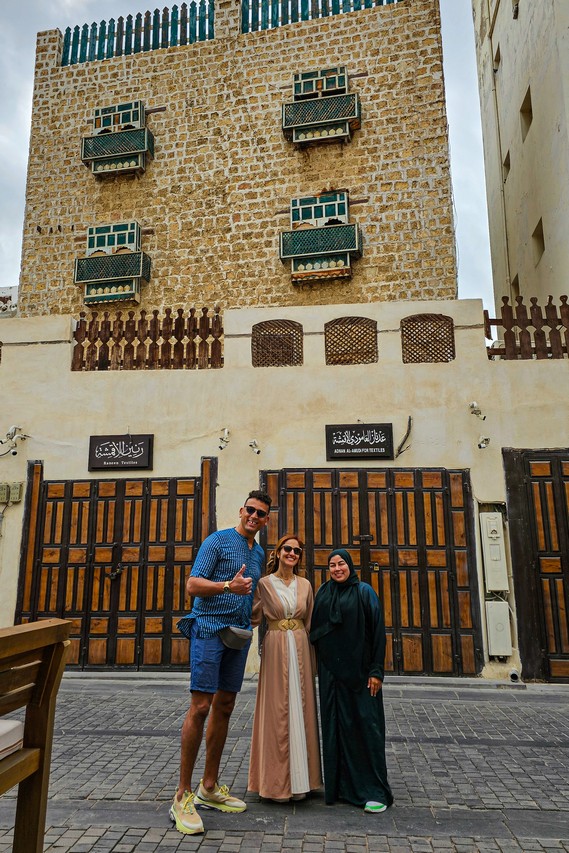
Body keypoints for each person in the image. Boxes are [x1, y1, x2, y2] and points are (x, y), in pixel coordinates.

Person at [171, 489, 272, 835]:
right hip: (209, 630)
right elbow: (193, 585)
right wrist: (228, 585)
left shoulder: (258, 552)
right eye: (251, 510)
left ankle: (209, 787)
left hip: (238, 636)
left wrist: (253, 609)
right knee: (201, 706)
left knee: (225, 706)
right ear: (242, 510)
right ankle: (182, 795)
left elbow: (252, 589)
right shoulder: (217, 541)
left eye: (261, 514)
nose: (254, 517)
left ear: (266, 520)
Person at [310, 548, 393, 814]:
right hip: (332, 676)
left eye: (341, 564)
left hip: (361, 675)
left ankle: (374, 791)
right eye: (332, 565)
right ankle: (342, 788)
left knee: (366, 729)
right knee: (336, 729)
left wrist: (376, 671)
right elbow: (315, 630)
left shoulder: (364, 592)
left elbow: (377, 632)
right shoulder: (323, 592)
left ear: (350, 565)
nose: (337, 569)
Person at [248, 535, 322, 802]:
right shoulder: (264, 584)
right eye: (287, 549)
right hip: (276, 647)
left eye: (297, 551)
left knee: (302, 708)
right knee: (277, 711)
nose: (292, 553)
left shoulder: (305, 585)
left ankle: (304, 781)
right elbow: (253, 616)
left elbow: (311, 620)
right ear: (278, 553)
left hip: (301, 646)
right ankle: (276, 783)